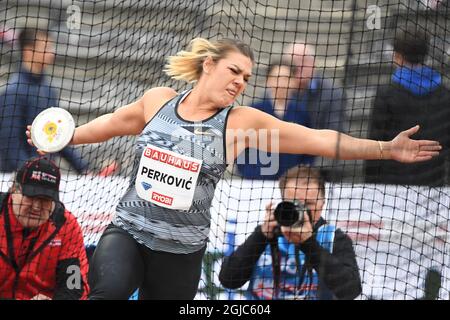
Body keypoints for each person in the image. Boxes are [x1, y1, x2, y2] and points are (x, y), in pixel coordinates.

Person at [26, 37, 441, 300]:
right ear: (208, 65)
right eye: (234, 71)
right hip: (130, 231)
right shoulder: (158, 101)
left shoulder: (240, 123)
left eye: (246, 77)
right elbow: (110, 124)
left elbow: (318, 139)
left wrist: (385, 148)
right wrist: (61, 137)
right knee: (110, 292)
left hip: (182, 251)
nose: (241, 82)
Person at [219, 166, 362, 300]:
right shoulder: (268, 233)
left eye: (309, 204)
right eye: (294, 203)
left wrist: (308, 243)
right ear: (283, 201)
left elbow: (351, 291)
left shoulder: (333, 237)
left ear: (322, 203)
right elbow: (229, 280)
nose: (302, 210)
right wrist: (261, 235)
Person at [365, 28, 450, 186]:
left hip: (391, 187)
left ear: (397, 56)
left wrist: (370, 183)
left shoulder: (387, 93)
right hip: (434, 183)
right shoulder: (445, 93)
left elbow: (376, 141)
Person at [0, 28, 88, 174]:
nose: (51, 53)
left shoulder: (48, 90)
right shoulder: (13, 91)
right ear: (29, 51)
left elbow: (57, 138)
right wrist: (30, 174)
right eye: (46, 48)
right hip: (16, 180)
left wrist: (84, 168)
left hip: (43, 177)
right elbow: (10, 143)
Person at [0, 157, 89, 300]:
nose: (36, 207)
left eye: (45, 200)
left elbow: (73, 288)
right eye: (30, 197)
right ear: (14, 190)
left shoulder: (66, 225)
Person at [236, 60, 315, 179]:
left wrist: (300, 175)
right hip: (257, 182)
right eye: (276, 77)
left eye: (286, 78)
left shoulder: (302, 113)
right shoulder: (254, 110)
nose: (281, 83)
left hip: (291, 184)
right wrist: (249, 172)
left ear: (294, 82)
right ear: (268, 80)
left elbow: (309, 149)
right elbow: (240, 146)